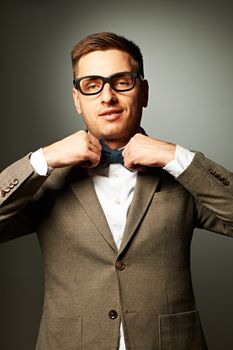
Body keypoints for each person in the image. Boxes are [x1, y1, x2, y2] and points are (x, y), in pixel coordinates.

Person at [0, 32, 232, 350]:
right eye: (91, 85)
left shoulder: (180, 174)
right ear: (76, 100)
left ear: (144, 92)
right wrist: (43, 159)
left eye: (121, 81)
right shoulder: (48, 180)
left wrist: (177, 157)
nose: (107, 97)